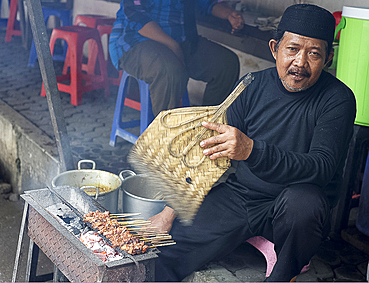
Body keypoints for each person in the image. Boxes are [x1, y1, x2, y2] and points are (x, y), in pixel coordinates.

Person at [147, 3, 357, 282]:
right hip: (242, 197)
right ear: (274, 48)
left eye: (314, 53)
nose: (300, 62)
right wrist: (168, 213)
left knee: (304, 205)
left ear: (328, 58)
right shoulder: (251, 85)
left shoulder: (337, 99)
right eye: (292, 49)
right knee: (169, 251)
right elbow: (208, 151)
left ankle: (286, 272)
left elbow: (322, 166)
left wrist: (252, 150)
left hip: (291, 207)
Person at [109, 0, 244, 116]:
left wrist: (229, 14)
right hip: (136, 41)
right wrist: (172, 45)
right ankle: (165, 140)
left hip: (182, 41)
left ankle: (206, 132)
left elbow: (207, 3)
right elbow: (135, 15)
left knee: (226, 64)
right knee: (169, 71)